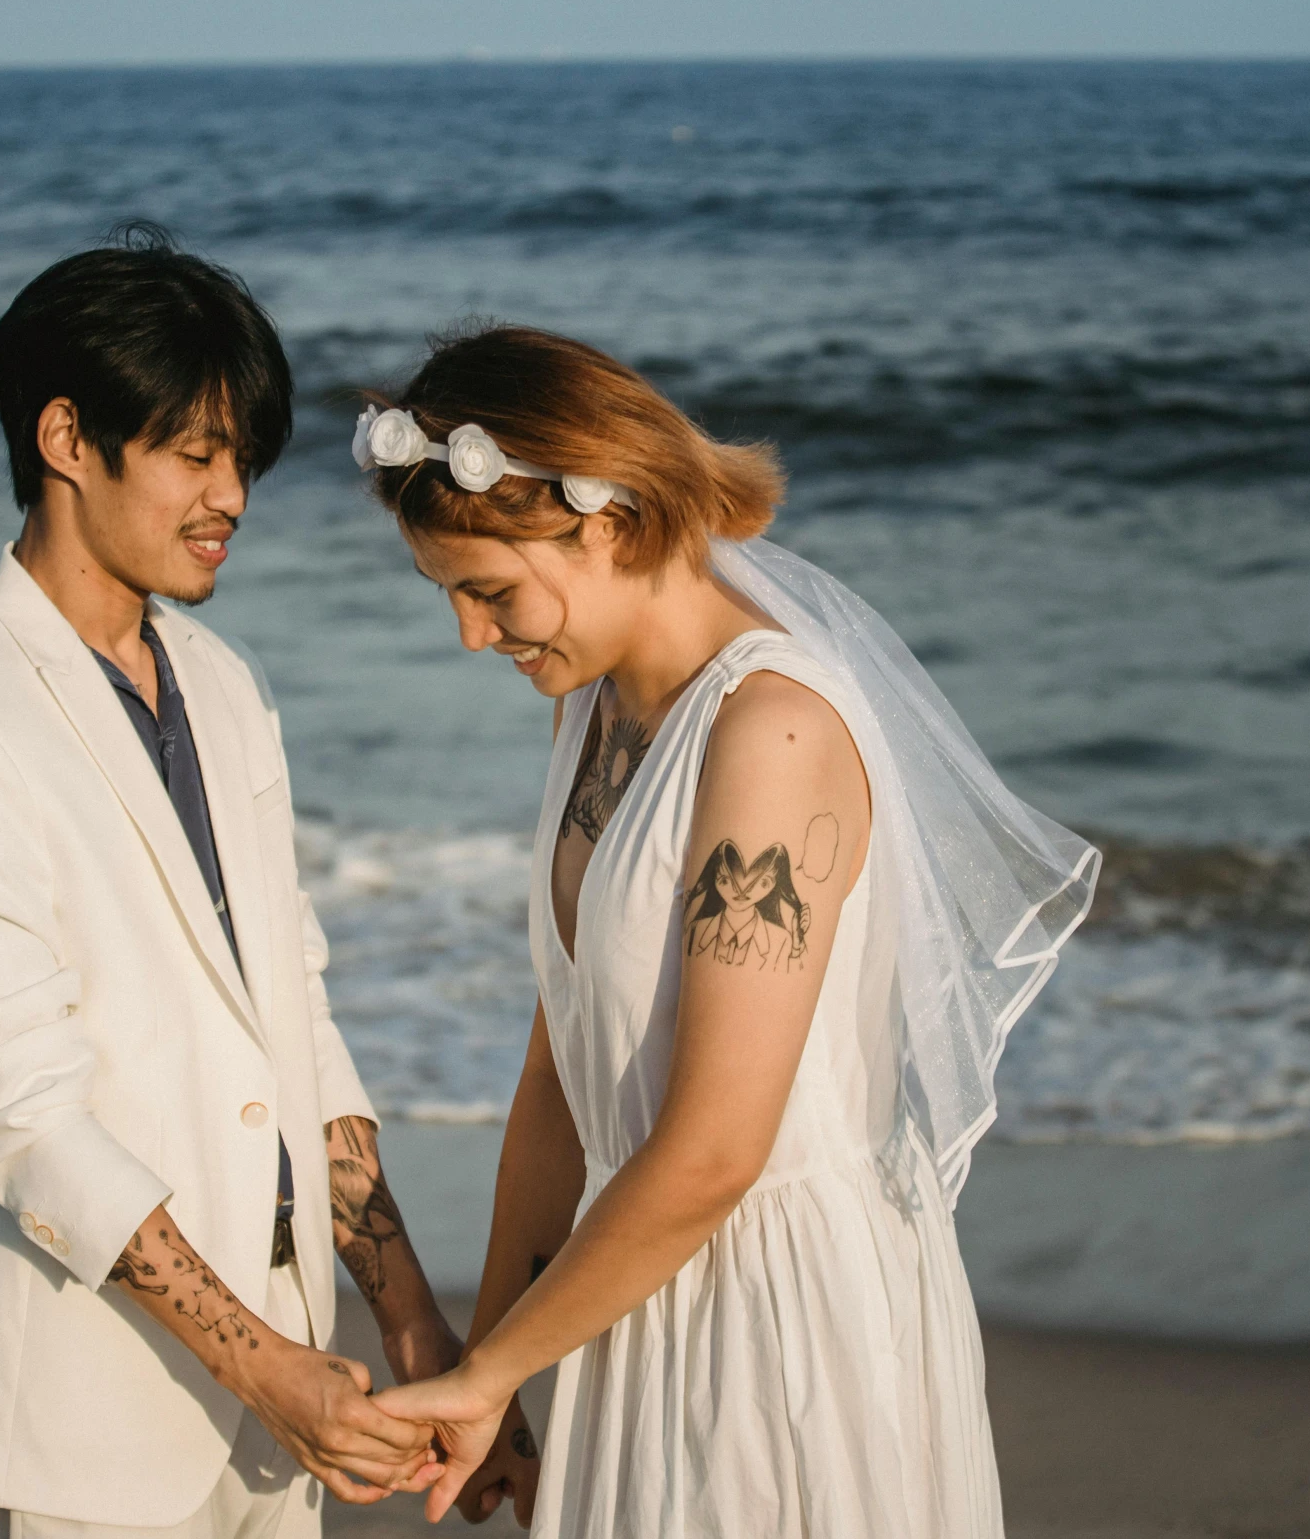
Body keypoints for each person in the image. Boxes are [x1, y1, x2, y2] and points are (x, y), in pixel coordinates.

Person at [354, 326, 1099, 1536]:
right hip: (627, 1282)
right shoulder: (590, 709)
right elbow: (559, 1077)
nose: (472, 637)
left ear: (599, 524)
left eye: (488, 591)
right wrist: (496, 1376)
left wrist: (487, 1374)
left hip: (771, 1317)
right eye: (453, 598)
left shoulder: (772, 737)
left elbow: (713, 1151)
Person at [0, 229, 537, 1539]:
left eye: (242, 458)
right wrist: (262, 1365)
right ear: (67, 436)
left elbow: (296, 1009)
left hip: (283, 1383)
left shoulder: (224, 683)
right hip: (93, 1407)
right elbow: (21, 1115)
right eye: (193, 450)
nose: (231, 492)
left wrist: (406, 1313)